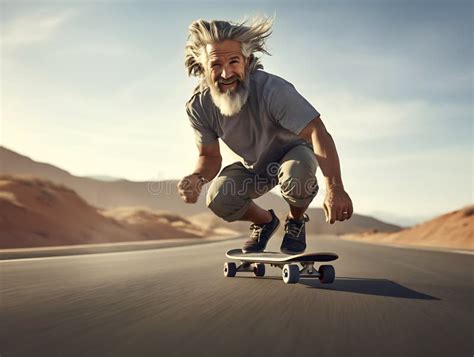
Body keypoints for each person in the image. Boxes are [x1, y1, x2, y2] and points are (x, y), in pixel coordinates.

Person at [177, 18, 353, 254]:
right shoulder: (199, 105)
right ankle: (265, 222)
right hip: (257, 167)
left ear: (247, 61)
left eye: (234, 61)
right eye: (216, 64)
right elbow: (209, 157)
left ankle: (295, 221)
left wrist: (335, 188)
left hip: (294, 152)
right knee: (219, 197)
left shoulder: (272, 90)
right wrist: (197, 177)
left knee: (296, 175)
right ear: (203, 66)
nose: (226, 72)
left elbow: (316, 131)